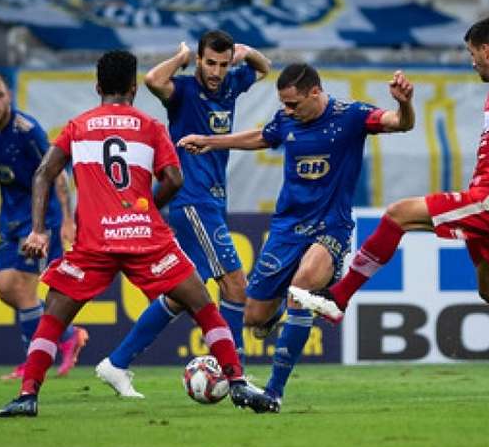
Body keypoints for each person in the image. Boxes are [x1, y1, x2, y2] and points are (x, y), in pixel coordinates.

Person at [289, 16, 489, 401]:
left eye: (471, 54)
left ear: (486, 49)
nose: (472, 62)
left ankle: (339, 298)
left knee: (398, 214)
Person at [0, 50, 276, 417]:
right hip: (145, 237)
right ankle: (237, 383)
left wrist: (37, 229)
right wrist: (149, 207)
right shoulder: (150, 127)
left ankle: (28, 395)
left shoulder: (77, 127)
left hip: (94, 241)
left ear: (97, 87)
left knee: (53, 316)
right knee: (202, 304)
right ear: (132, 88)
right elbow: (175, 179)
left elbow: (44, 173)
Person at [178, 62, 416, 411]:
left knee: (302, 289)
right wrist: (211, 142)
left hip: (329, 227)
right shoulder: (287, 119)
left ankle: (273, 392)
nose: (287, 111)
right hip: (286, 229)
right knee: (255, 319)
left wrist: (405, 103)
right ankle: (277, 315)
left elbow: (401, 123)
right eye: (283, 104)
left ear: (315, 93)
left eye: (293, 104)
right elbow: (262, 136)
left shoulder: (351, 116)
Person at [95, 30, 271, 398]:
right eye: (210, 63)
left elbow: (264, 68)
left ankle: (117, 362)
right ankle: (234, 371)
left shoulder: (231, 84)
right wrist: (182, 57)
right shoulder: (183, 92)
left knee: (181, 295)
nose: (217, 72)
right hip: (193, 201)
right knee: (235, 285)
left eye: (223, 64)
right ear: (201, 60)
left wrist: (246, 53)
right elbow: (152, 80)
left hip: (214, 201)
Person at [0, 71, 87, 380]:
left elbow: (55, 172)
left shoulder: (27, 131)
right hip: (11, 221)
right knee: (6, 289)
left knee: (23, 289)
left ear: (9, 97)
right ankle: (68, 335)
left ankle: (33, 362)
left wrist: (68, 219)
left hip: (40, 221)